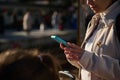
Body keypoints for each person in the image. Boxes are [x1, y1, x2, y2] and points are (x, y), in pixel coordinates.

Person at [60, 0, 120, 80]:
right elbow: (92, 70)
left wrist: (86, 58)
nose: (88, 2)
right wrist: (78, 58)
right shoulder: (95, 20)